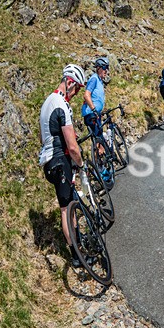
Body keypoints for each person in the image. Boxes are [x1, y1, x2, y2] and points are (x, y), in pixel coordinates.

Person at [39, 64, 86, 267]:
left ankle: (78, 242)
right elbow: (73, 147)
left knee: (69, 204)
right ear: (68, 82)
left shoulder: (47, 102)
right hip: (60, 161)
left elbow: (43, 137)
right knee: (66, 210)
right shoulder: (62, 104)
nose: (76, 93)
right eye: (76, 88)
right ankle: (77, 256)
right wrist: (81, 164)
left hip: (49, 162)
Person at [81, 57, 111, 179]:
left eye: (107, 68)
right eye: (104, 68)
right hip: (91, 114)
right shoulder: (94, 79)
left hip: (95, 114)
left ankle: (101, 165)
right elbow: (86, 95)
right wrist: (93, 109)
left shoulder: (99, 80)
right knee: (98, 140)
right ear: (98, 68)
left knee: (99, 139)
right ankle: (100, 169)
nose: (106, 71)